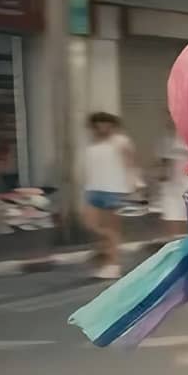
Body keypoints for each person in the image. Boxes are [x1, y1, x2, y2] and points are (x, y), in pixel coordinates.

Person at [81, 112, 135, 279]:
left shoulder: (121, 141)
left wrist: (133, 186)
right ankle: (104, 251)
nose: (102, 126)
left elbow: (129, 164)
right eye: (98, 123)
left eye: (105, 123)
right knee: (90, 224)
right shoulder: (91, 143)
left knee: (112, 228)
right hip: (93, 188)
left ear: (112, 125)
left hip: (115, 189)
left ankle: (112, 264)